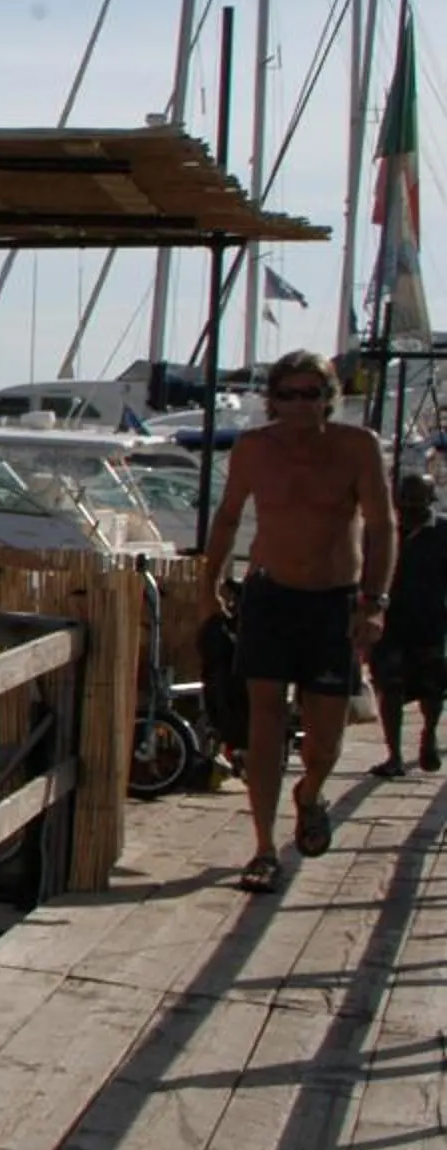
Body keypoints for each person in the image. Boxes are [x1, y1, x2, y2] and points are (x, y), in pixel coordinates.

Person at [200, 349, 397, 893]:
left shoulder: (356, 447)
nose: (299, 405)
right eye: (288, 395)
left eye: (311, 394)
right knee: (264, 724)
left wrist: (375, 602)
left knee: (325, 738)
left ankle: (309, 793)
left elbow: (382, 526)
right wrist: (209, 582)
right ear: (273, 400)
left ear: (329, 398)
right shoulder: (255, 448)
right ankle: (264, 848)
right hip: (270, 596)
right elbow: (228, 516)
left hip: (334, 601)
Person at [371, 472, 447, 777]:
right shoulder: (385, 531)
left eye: (417, 502)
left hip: (430, 622)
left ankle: (429, 733)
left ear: (430, 501)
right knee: (389, 687)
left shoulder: (442, 532)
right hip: (390, 623)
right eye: (405, 502)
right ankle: (395, 755)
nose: (410, 509)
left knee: (432, 688)